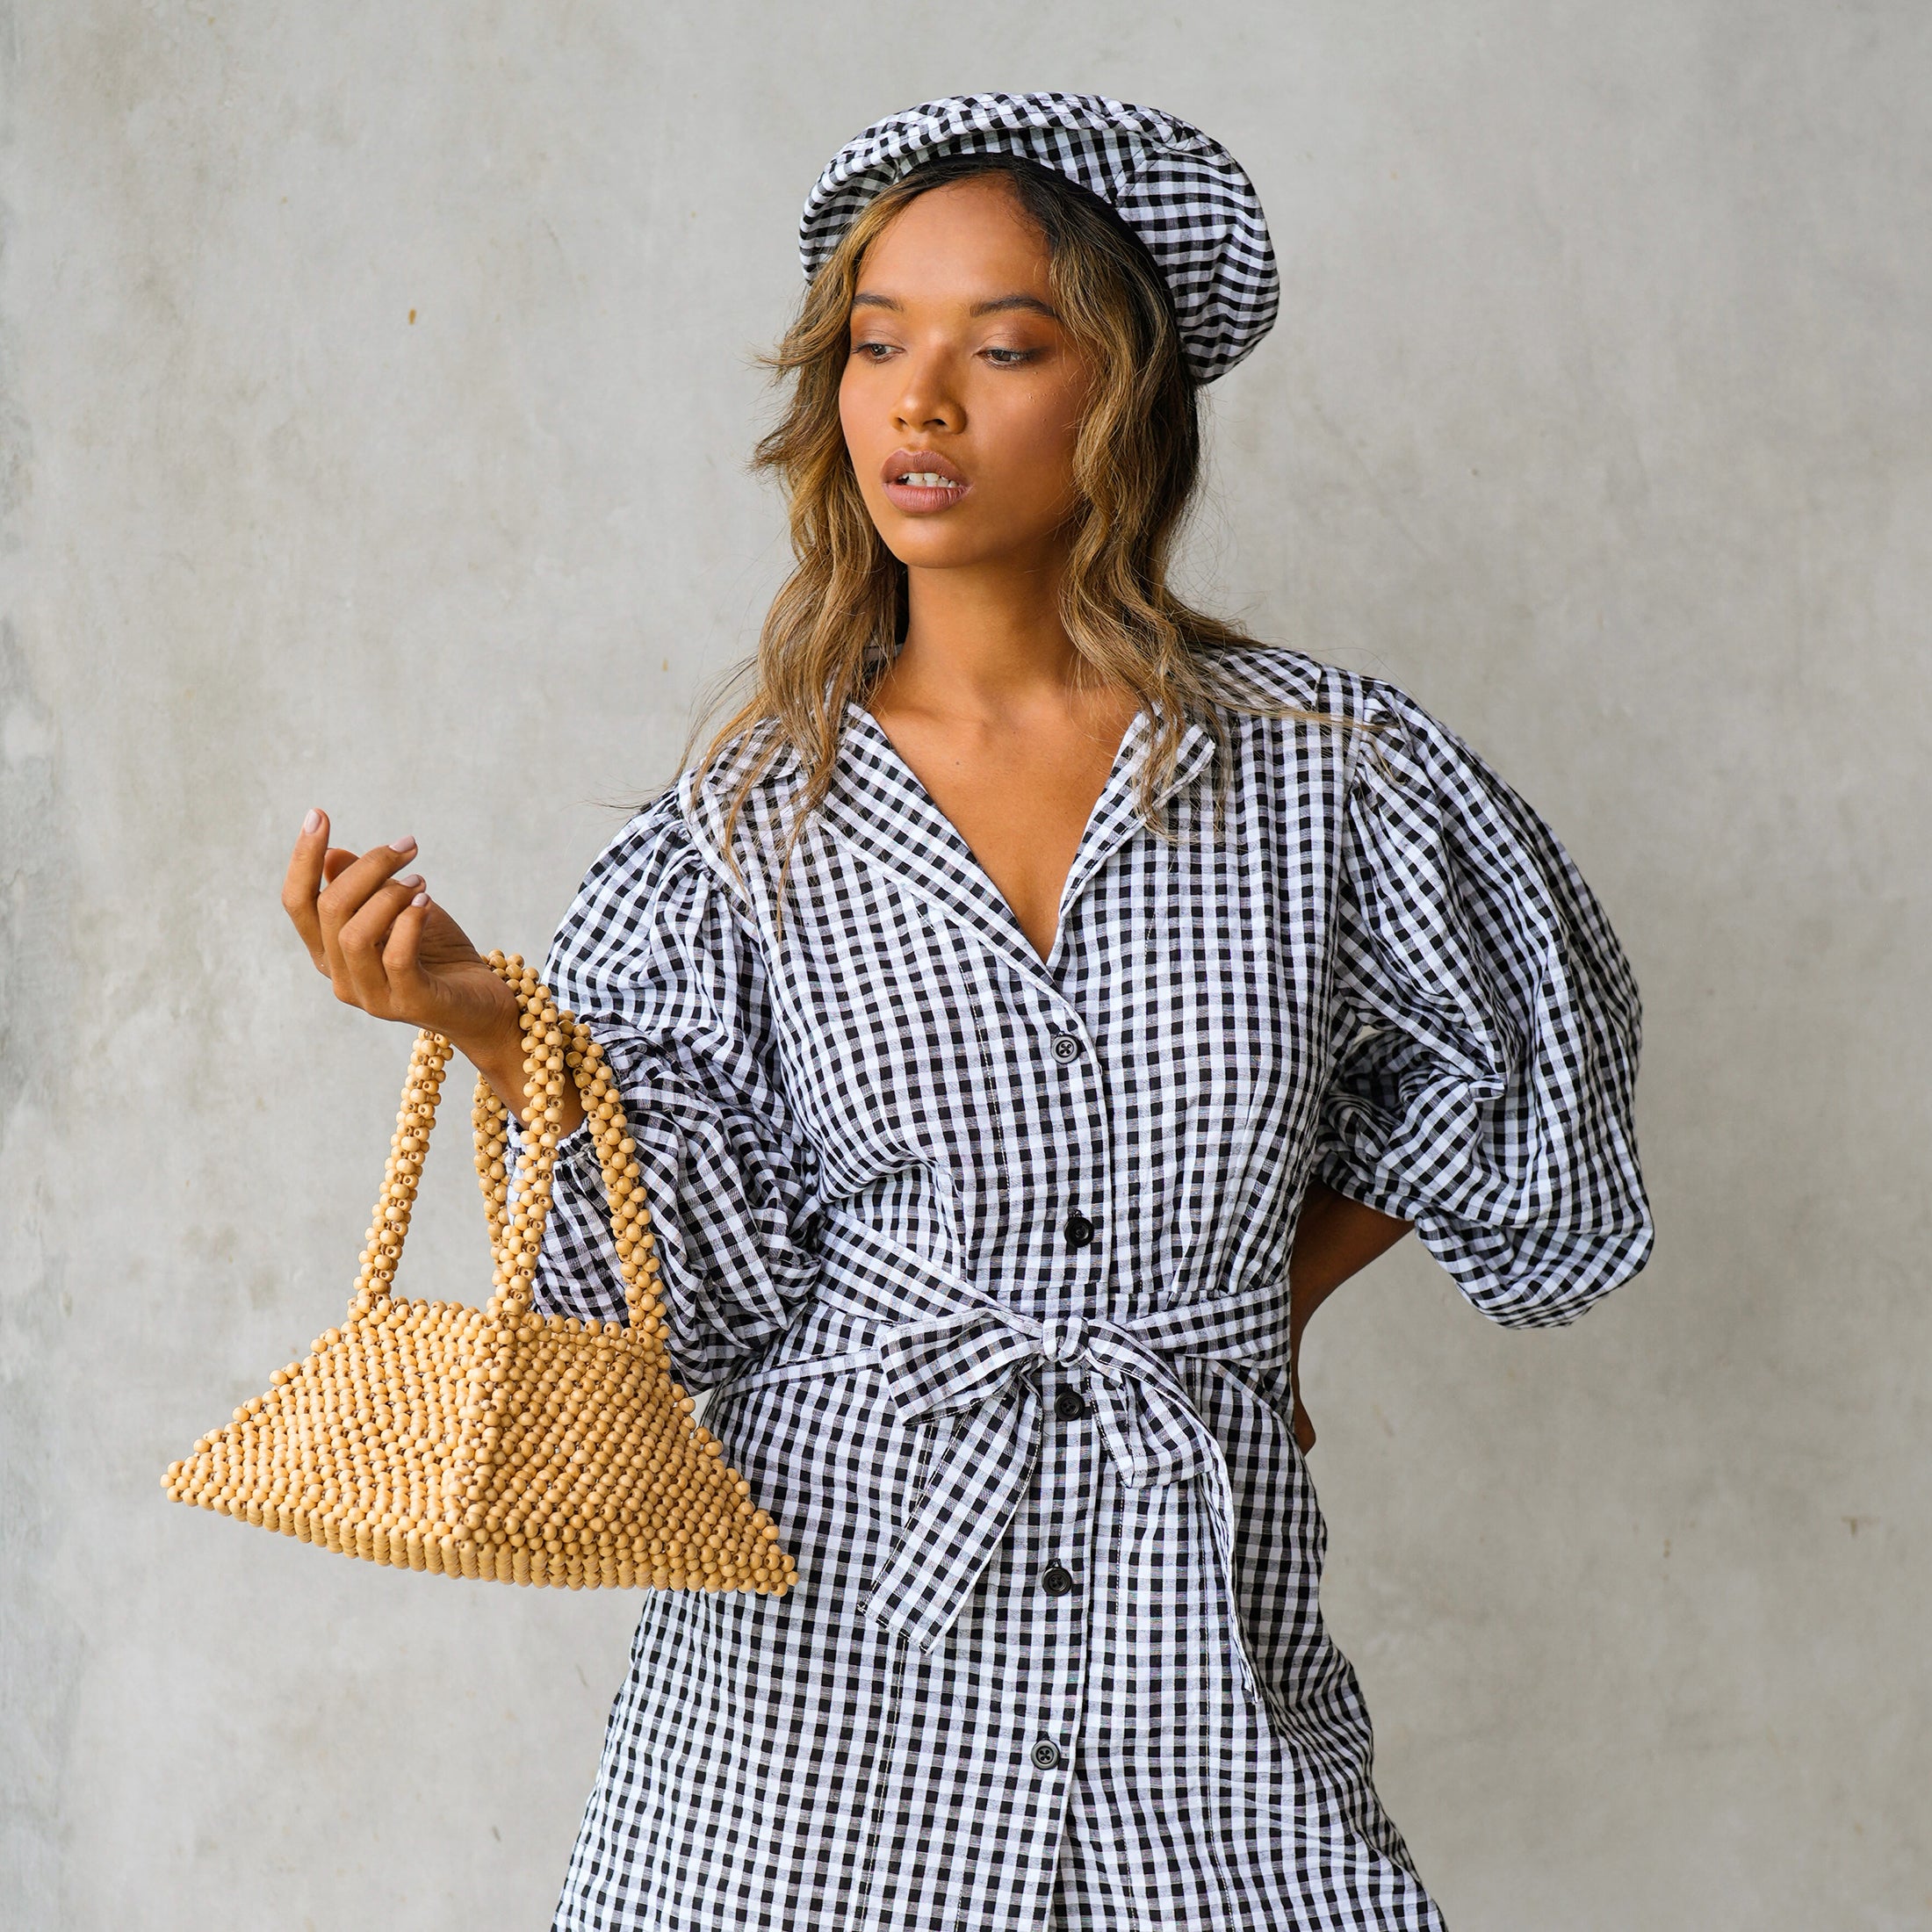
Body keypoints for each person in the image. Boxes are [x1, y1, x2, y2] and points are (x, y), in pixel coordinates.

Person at [282, 92, 1653, 1932]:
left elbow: (1513, 1083)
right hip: (814, 1670)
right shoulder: (740, 829)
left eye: (1001, 346)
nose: (916, 404)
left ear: (1124, 397)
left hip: (1200, 1648)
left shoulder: (1337, 776)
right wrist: (479, 1020)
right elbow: (692, 1289)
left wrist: (1259, 1305)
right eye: (874, 345)